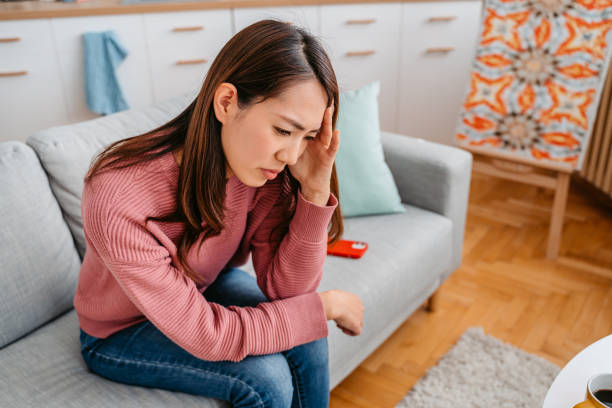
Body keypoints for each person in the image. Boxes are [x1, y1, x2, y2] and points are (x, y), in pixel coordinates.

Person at [74, 19, 364, 408]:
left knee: (307, 335)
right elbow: (210, 336)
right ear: (226, 102)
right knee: (267, 378)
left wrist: (314, 191)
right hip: (119, 331)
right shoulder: (118, 192)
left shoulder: (269, 173)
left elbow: (289, 292)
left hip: (200, 287)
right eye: (283, 130)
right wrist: (326, 306)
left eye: (307, 137)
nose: (293, 155)